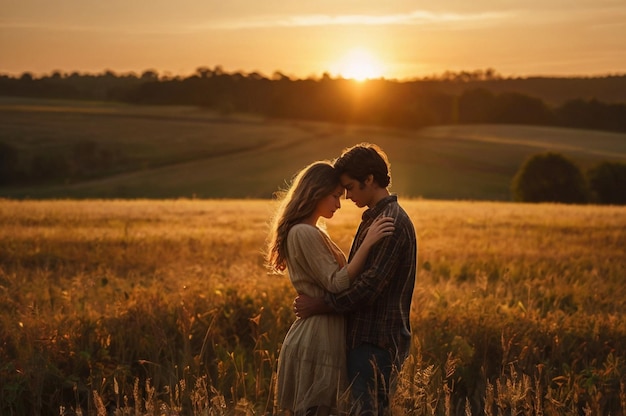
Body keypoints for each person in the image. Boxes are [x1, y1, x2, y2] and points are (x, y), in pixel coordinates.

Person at [294, 143, 417, 416]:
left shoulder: (390, 222)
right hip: (368, 341)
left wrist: (320, 305)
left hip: (375, 343)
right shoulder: (377, 219)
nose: (347, 197)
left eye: (350, 187)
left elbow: (367, 289)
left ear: (369, 180)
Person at [266, 160, 395, 416]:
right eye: (335, 196)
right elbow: (337, 282)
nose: (338, 203)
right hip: (317, 338)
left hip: (324, 331)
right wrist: (368, 243)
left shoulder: (313, 231)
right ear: (315, 192)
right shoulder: (304, 233)